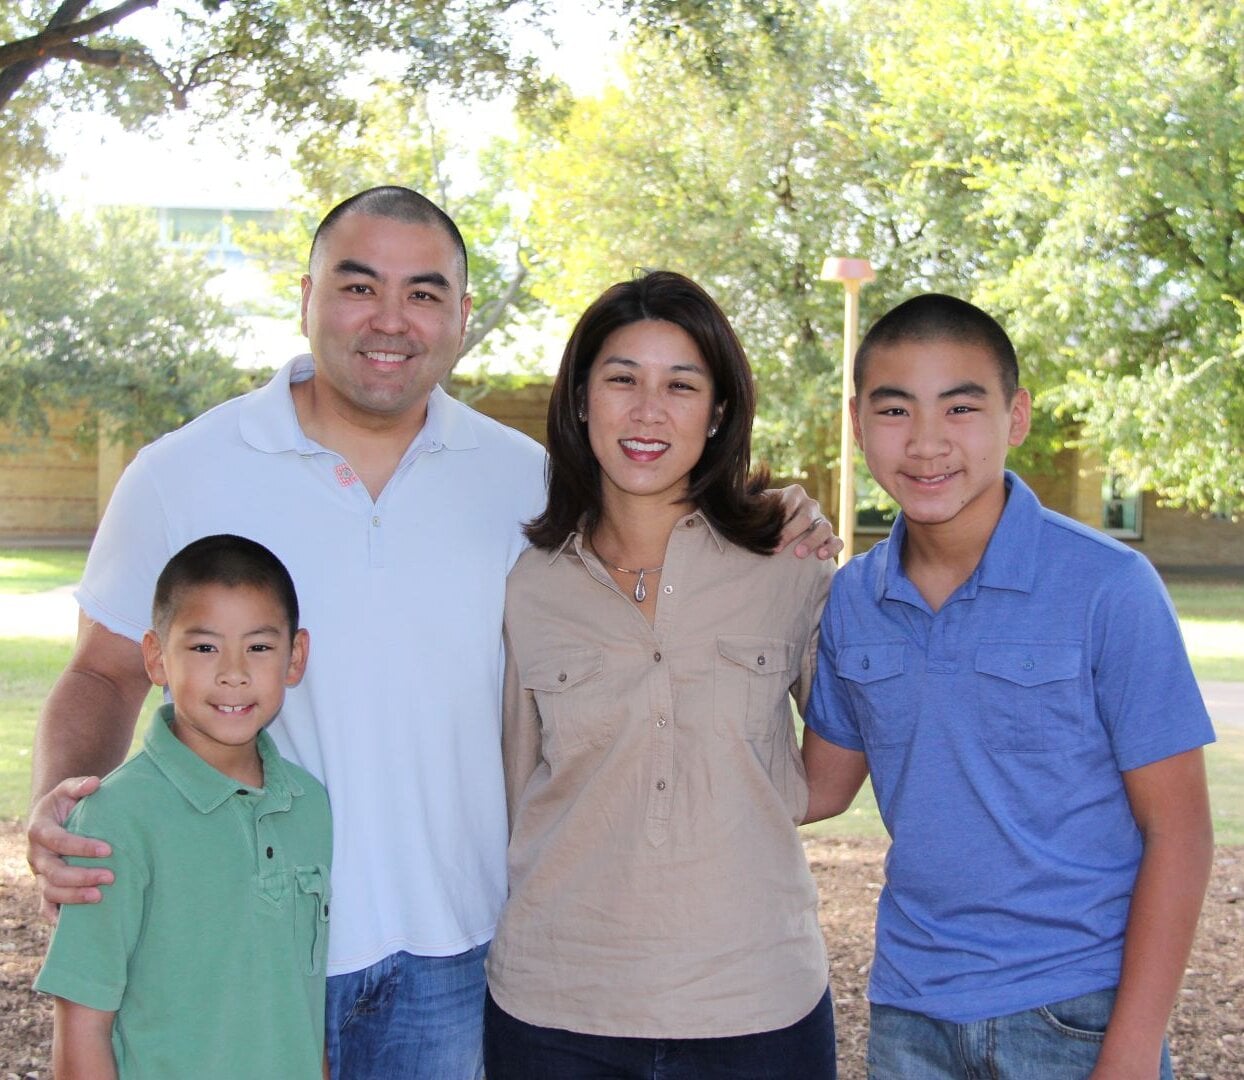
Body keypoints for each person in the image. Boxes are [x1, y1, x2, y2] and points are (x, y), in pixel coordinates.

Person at [26, 186, 839, 1080]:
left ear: (459, 315)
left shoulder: (526, 485)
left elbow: (666, 531)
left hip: (458, 954)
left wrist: (773, 513)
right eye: (358, 284)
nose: (390, 319)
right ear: (305, 295)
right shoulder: (182, 473)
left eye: (423, 293)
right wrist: (69, 809)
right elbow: (104, 675)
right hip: (244, 939)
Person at [802, 293, 1216, 1079]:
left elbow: (1182, 833)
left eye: (961, 407)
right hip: (910, 1016)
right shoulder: (854, 597)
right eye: (895, 410)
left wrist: (1129, 1050)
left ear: (1016, 416)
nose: (926, 443)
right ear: (857, 421)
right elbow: (815, 789)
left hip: (1077, 1016)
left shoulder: (1108, 585)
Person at [485, 270, 844, 1079]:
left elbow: (836, 770)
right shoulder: (528, 584)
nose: (649, 412)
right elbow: (518, 789)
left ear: (718, 413)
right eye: (622, 380)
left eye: (681, 386)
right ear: (581, 400)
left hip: (757, 1006)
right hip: (556, 1008)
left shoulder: (788, 559)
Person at [34, 534, 329, 1079]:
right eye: (204, 647)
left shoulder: (309, 805)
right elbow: (82, 1022)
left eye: (259, 647)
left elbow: (302, 1008)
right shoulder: (115, 818)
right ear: (156, 657)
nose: (233, 672)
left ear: (296, 656)